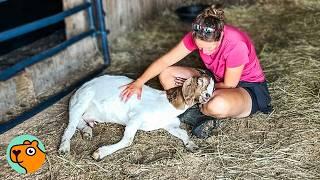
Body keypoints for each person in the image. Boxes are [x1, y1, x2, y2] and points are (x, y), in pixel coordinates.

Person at [120, 4, 272, 139]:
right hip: (213, 79)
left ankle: (191, 110)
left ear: (220, 37)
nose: (205, 51)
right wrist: (140, 82)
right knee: (167, 75)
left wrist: (195, 88)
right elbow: (166, 61)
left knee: (217, 105)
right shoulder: (197, 35)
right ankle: (197, 112)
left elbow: (229, 84)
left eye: (209, 48)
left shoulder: (235, 44)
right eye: (200, 48)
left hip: (245, 87)